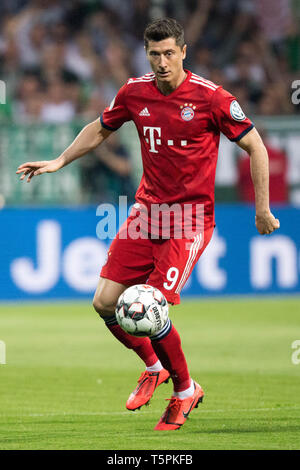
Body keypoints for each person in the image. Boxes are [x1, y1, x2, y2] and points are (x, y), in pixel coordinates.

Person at [16, 18, 280, 431]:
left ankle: (185, 391)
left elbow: (256, 146)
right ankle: (154, 366)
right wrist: (59, 160)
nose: (161, 62)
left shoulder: (212, 98)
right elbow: (100, 129)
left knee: (150, 308)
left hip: (189, 219)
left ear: (183, 52)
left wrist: (262, 209)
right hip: (147, 213)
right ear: (147, 53)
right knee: (104, 303)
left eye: (169, 53)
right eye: (154, 54)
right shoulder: (134, 91)